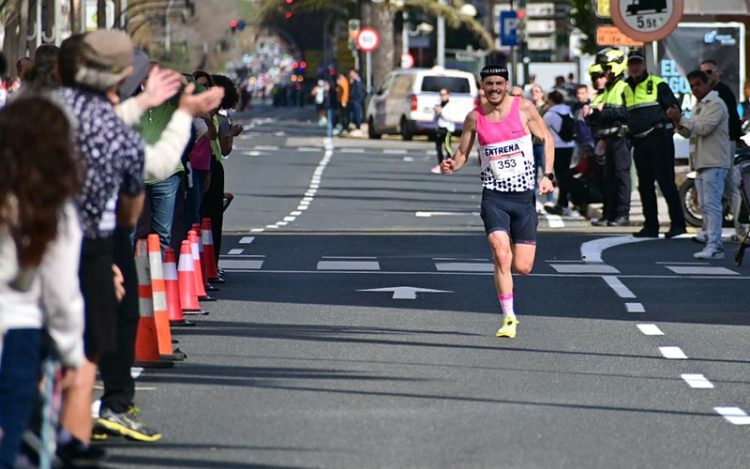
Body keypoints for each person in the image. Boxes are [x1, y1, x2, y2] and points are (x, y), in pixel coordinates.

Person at [55, 30, 146, 463]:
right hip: (92, 244)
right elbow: (131, 206)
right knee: (87, 346)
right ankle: (72, 439)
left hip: (25, 238)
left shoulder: (34, 112)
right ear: (123, 76)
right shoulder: (117, 130)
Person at [440, 65, 555, 339]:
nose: (494, 88)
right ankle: (509, 317)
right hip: (494, 196)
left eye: (499, 83)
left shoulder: (524, 108)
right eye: (489, 83)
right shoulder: (474, 118)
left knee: (523, 267)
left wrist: (549, 175)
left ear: (506, 84)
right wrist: (450, 166)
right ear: (482, 86)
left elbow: (547, 139)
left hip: (524, 196)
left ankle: (507, 272)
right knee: (501, 252)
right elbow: (461, 154)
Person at [0, 95, 84, 468]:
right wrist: (70, 352)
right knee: (11, 440)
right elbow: (61, 293)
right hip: (17, 330)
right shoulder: (52, 207)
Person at [667, 70, 731, 259]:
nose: (695, 89)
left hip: (714, 160)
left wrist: (681, 118)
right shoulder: (699, 105)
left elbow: (704, 128)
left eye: (698, 84)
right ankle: (711, 242)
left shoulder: (716, 104)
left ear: (707, 84)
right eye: (692, 86)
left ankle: (715, 245)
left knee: (712, 205)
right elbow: (690, 133)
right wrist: (678, 123)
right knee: (704, 205)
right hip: (701, 162)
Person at [623, 53, 686, 238]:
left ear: (644, 65)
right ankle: (651, 226)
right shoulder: (625, 87)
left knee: (666, 182)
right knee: (645, 185)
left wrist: (672, 127)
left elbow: (674, 108)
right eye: (631, 64)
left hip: (659, 139)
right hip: (639, 141)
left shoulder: (658, 83)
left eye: (638, 64)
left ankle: (678, 224)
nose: (634, 68)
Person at [699, 59, 748, 241]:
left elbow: (732, 119)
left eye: (710, 72)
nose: (707, 76)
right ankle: (730, 228)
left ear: (718, 72)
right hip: (713, 145)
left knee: (725, 185)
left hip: (724, 143)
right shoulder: (706, 94)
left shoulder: (722, 91)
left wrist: (736, 138)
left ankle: (740, 227)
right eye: (703, 73)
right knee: (725, 186)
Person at [587, 48, 631, 227]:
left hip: (621, 137)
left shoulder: (624, 86)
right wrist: (590, 112)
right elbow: (595, 114)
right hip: (607, 139)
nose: (604, 72)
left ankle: (622, 214)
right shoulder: (608, 88)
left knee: (621, 176)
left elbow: (626, 111)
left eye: (606, 68)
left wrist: (603, 111)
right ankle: (610, 214)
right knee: (609, 178)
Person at [543, 90, 576, 216]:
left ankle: (562, 204)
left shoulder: (550, 114)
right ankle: (563, 203)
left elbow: (542, 129)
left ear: (551, 100)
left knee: (561, 176)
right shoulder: (569, 111)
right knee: (565, 175)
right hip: (570, 146)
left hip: (557, 147)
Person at [431, 87, 455, 173]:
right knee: (438, 148)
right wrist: (436, 112)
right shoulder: (439, 104)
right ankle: (440, 164)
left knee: (447, 147)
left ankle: (450, 164)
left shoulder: (451, 105)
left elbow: (450, 117)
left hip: (447, 128)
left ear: (448, 95)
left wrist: (441, 112)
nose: (442, 96)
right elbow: (434, 118)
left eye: (444, 94)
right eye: (441, 94)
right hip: (439, 128)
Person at [348, 69, 364, 135]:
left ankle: (358, 127)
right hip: (354, 101)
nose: (351, 76)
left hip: (357, 100)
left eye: (352, 74)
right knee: (354, 115)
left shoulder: (358, 82)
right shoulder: (354, 82)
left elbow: (360, 92)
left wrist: (359, 99)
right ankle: (356, 127)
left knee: (357, 114)